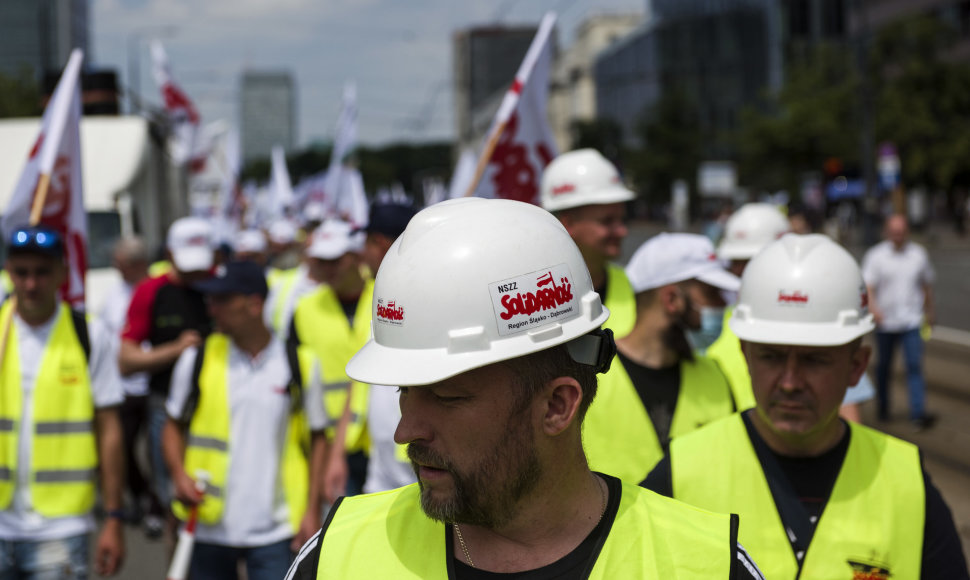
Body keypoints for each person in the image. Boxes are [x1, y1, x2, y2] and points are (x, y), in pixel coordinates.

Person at [285, 198, 763, 579]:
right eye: (403, 392)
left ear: (557, 405)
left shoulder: (704, 564)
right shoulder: (335, 556)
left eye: (448, 397)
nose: (405, 431)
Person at [643, 234, 969, 579]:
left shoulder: (907, 482)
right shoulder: (682, 472)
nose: (790, 382)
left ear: (857, 366)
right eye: (771, 356)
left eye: (814, 360)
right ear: (745, 356)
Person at [162, 261, 327, 580]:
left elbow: (319, 438)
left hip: (276, 530)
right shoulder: (196, 359)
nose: (212, 308)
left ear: (254, 304)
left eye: (223, 300)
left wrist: (311, 510)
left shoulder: (301, 364)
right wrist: (178, 475)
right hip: (208, 526)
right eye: (210, 300)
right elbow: (171, 425)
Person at [0, 225, 126, 577]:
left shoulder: (89, 334)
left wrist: (114, 518)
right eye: (21, 272)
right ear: (8, 272)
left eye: (41, 272)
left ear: (61, 273)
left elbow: (110, 429)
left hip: (61, 530)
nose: (30, 284)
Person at [582, 233, 740, 483]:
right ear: (671, 299)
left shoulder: (715, 376)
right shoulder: (590, 375)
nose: (723, 304)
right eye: (711, 293)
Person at [708, 202, 875, 421]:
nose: (742, 272)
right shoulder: (734, 318)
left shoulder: (826, 317)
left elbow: (848, 420)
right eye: (736, 263)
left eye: (750, 262)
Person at [118, 217, 214, 522]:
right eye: (189, 266)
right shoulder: (151, 292)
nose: (197, 274)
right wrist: (176, 350)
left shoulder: (222, 287)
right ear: (170, 255)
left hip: (215, 405)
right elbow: (126, 361)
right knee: (174, 499)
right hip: (165, 405)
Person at [288, 219, 371, 498]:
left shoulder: (386, 293)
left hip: (384, 439)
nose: (328, 268)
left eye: (335, 260)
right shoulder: (304, 308)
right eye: (321, 261)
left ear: (356, 256)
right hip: (331, 439)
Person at [97, 236, 166, 538]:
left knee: (157, 452)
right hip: (122, 386)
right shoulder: (112, 295)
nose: (115, 267)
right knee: (121, 447)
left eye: (120, 263)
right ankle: (140, 494)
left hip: (153, 384)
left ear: (138, 264)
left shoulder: (159, 291)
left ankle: (156, 507)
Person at [541, 149, 637, 338]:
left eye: (621, 220)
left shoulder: (637, 285)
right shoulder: (530, 299)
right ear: (568, 222)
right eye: (607, 221)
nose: (622, 231)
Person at [357, 201, 418, 494]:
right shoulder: (382, 297)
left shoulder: (423, 298)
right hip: (382, 467)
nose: (361, 254)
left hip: (414, 466)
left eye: (365, 243)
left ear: (379, 243)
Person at [862, 214, 937, 429]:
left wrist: (930, 312)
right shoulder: (876, 255)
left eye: (901, 231)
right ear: (887, 232)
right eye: (894, 231)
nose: (898, 235)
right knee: (884, 367)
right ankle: (883, 408)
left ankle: (918, 412)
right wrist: (873, 309)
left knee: (914, 366)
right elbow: (869, 286)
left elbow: (926, 285)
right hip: (886, 323)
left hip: (912, 320)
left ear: (907, 232)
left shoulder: (918, 255)